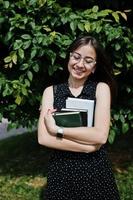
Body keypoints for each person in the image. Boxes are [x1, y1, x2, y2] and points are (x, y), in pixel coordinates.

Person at [38, 35, 120, 200]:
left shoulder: (101, 89)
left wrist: (57, 129)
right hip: (61, 173)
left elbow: (100, 136)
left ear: (95, 67)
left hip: (95, 172)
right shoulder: (50, 92)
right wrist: (87, 147)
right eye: (76, 57)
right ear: (69, 57)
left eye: (88, 60)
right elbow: (43, 138)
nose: (80, 64)